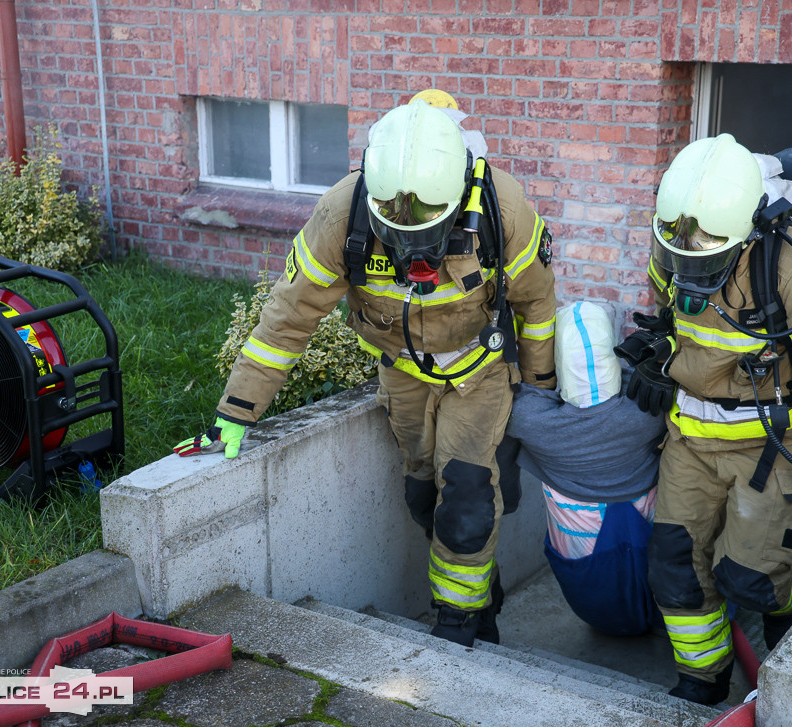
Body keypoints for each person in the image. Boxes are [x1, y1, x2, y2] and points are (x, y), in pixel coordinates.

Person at [173, 90, 558, 648]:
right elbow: (288, 317)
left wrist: (539, 394)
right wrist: (236, 412)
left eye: (426, 221)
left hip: (479, 371)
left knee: (468, 493)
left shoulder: (504, 210)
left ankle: (462, 625)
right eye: (396, 222)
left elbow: (537, 305)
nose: (409, 235)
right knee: (423, 496)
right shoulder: (343, 212)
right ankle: (480, 586)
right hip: (402, 371)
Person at [622, 134, 792, 705]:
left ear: (745, 232)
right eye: (678, 251)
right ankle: (702, 680)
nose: (685, 264)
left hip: (769, 443)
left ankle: (785, 609)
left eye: (706, 255)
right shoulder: (675, 239)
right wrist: (659, 358)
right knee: (674, 566)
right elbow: (678, 321)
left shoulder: (791, 264)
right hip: (690, 440)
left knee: (751, 579)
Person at [503, 301, 666, 636]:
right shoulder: (646, 415)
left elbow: (522, 391)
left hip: (588, 594)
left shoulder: (531, 421)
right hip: (655, 570)